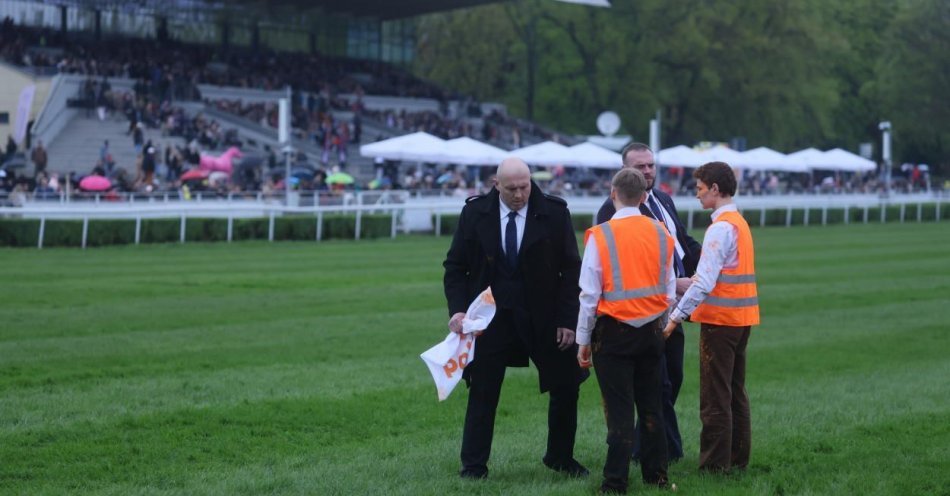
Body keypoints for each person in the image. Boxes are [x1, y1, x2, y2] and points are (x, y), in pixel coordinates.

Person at [443, 157, 588, 480]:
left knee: (567, 384)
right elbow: (455, 268)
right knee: (482, 390)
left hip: (546, 318)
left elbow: (571, 269)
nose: (520, 194)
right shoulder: (475, 212)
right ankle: (473, 466)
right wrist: (458, 310)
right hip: (489, 321)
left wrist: (568, 319)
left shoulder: (554, 212)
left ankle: (560, 457)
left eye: (525, 187)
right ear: (497, 186)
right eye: (511, 189)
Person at [596, 142, 701, 463]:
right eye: (639, 167)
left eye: (650, 165)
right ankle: (666, 451)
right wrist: (675, 282)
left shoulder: (664, 199)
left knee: (673, 378)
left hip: (675, 305)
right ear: (624, 171)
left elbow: (682, 242)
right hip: (645, 312)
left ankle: (645, 447)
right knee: (661, 383)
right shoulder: (613, 210)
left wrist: (709, 264)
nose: (647, 172)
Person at [577, 168, 674, 493]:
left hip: (613, 332)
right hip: (651, 331)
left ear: (612, 193)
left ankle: (615, 481)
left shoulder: (600, 235)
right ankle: (657, 475)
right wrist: (663, 320)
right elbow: (670, 288)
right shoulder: (661, 231)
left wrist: (582, 341)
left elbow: (589, 295)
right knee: (651, 407)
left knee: (619, 411)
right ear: (645, 196)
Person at [661, 161, 760, 473]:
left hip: (720, 322)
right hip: (741, 319)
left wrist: (674, 319)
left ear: (716, 189)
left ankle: (714, 466)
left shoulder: (720, 228)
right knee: (735, 393)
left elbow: (703, 282)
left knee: (715, 397)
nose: (698, 195)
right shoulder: (738, 222)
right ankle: (737, 459)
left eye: (700, 189)